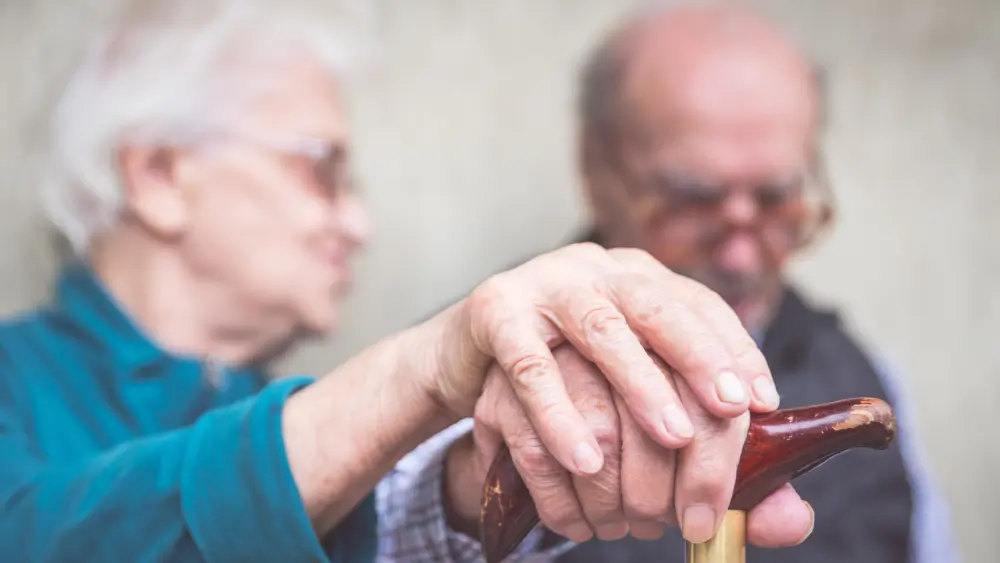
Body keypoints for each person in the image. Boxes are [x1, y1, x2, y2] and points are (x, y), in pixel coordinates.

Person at [0, 1, 815, 562]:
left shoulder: (270, 406)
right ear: (157, 175)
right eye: (322, 170)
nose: (358, 224)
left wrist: (504, 470)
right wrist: (416, 370)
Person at [541, 3, 959, 563]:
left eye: (776, 198)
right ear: (596, 172)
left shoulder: (865, 378)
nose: (740, 258)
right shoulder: (494, 387)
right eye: (692, 200)